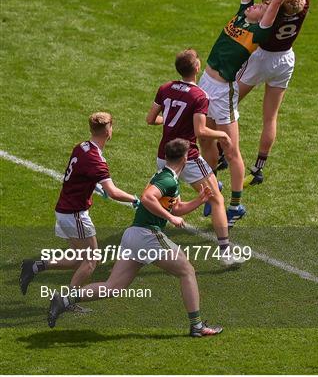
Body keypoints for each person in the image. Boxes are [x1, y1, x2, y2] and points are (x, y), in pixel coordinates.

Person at [47, 138, 223, 338]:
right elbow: (148, 198)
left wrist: (199, 200)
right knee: (187, 270)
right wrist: (170, 218)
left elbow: (176, 207)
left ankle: (65, 299)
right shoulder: (167, 180)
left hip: (134, 235)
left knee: (113, 287)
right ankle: (197, 326)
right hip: (147, 234)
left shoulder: (168, 177)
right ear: (185, 158)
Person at [198, 0, 305, 226]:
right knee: (202, 136)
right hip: (205, 82)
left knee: (231, 151)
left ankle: (234, 206)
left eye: (261, 6)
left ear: (266, 16)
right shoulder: (243, 12)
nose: (257, 3)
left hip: (223, 90)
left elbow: (276, 0)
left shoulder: (261, 30)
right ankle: (212, 190)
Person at [19, 112, 138, 298]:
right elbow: (113, 192)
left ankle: (34, 266)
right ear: (108, 131)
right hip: (75, 214)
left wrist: (95, 186)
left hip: (63, 210)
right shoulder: (97, 160)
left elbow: (79, 175)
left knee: (77, 258)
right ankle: (67, 300)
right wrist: (134, 199)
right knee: (92, 260)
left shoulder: (81, 147)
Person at [146, 49, 241, 265]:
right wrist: (222, 134)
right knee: (216, 198)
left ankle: (149, 242)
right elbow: (200, 131)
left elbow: (151, 119)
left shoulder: (166, 88)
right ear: (197, 68)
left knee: (169, 203)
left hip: (163, 154)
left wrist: (169, 122)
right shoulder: (199, 96)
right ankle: (225, 252)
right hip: (186, 157)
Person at [238, 0, 309, 186]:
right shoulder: (302, 6)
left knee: (229, 101)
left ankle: (222, 151)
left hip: (261, 59)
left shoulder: (272, 7)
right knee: (270, 117)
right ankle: (258, 168)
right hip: (285, 60)